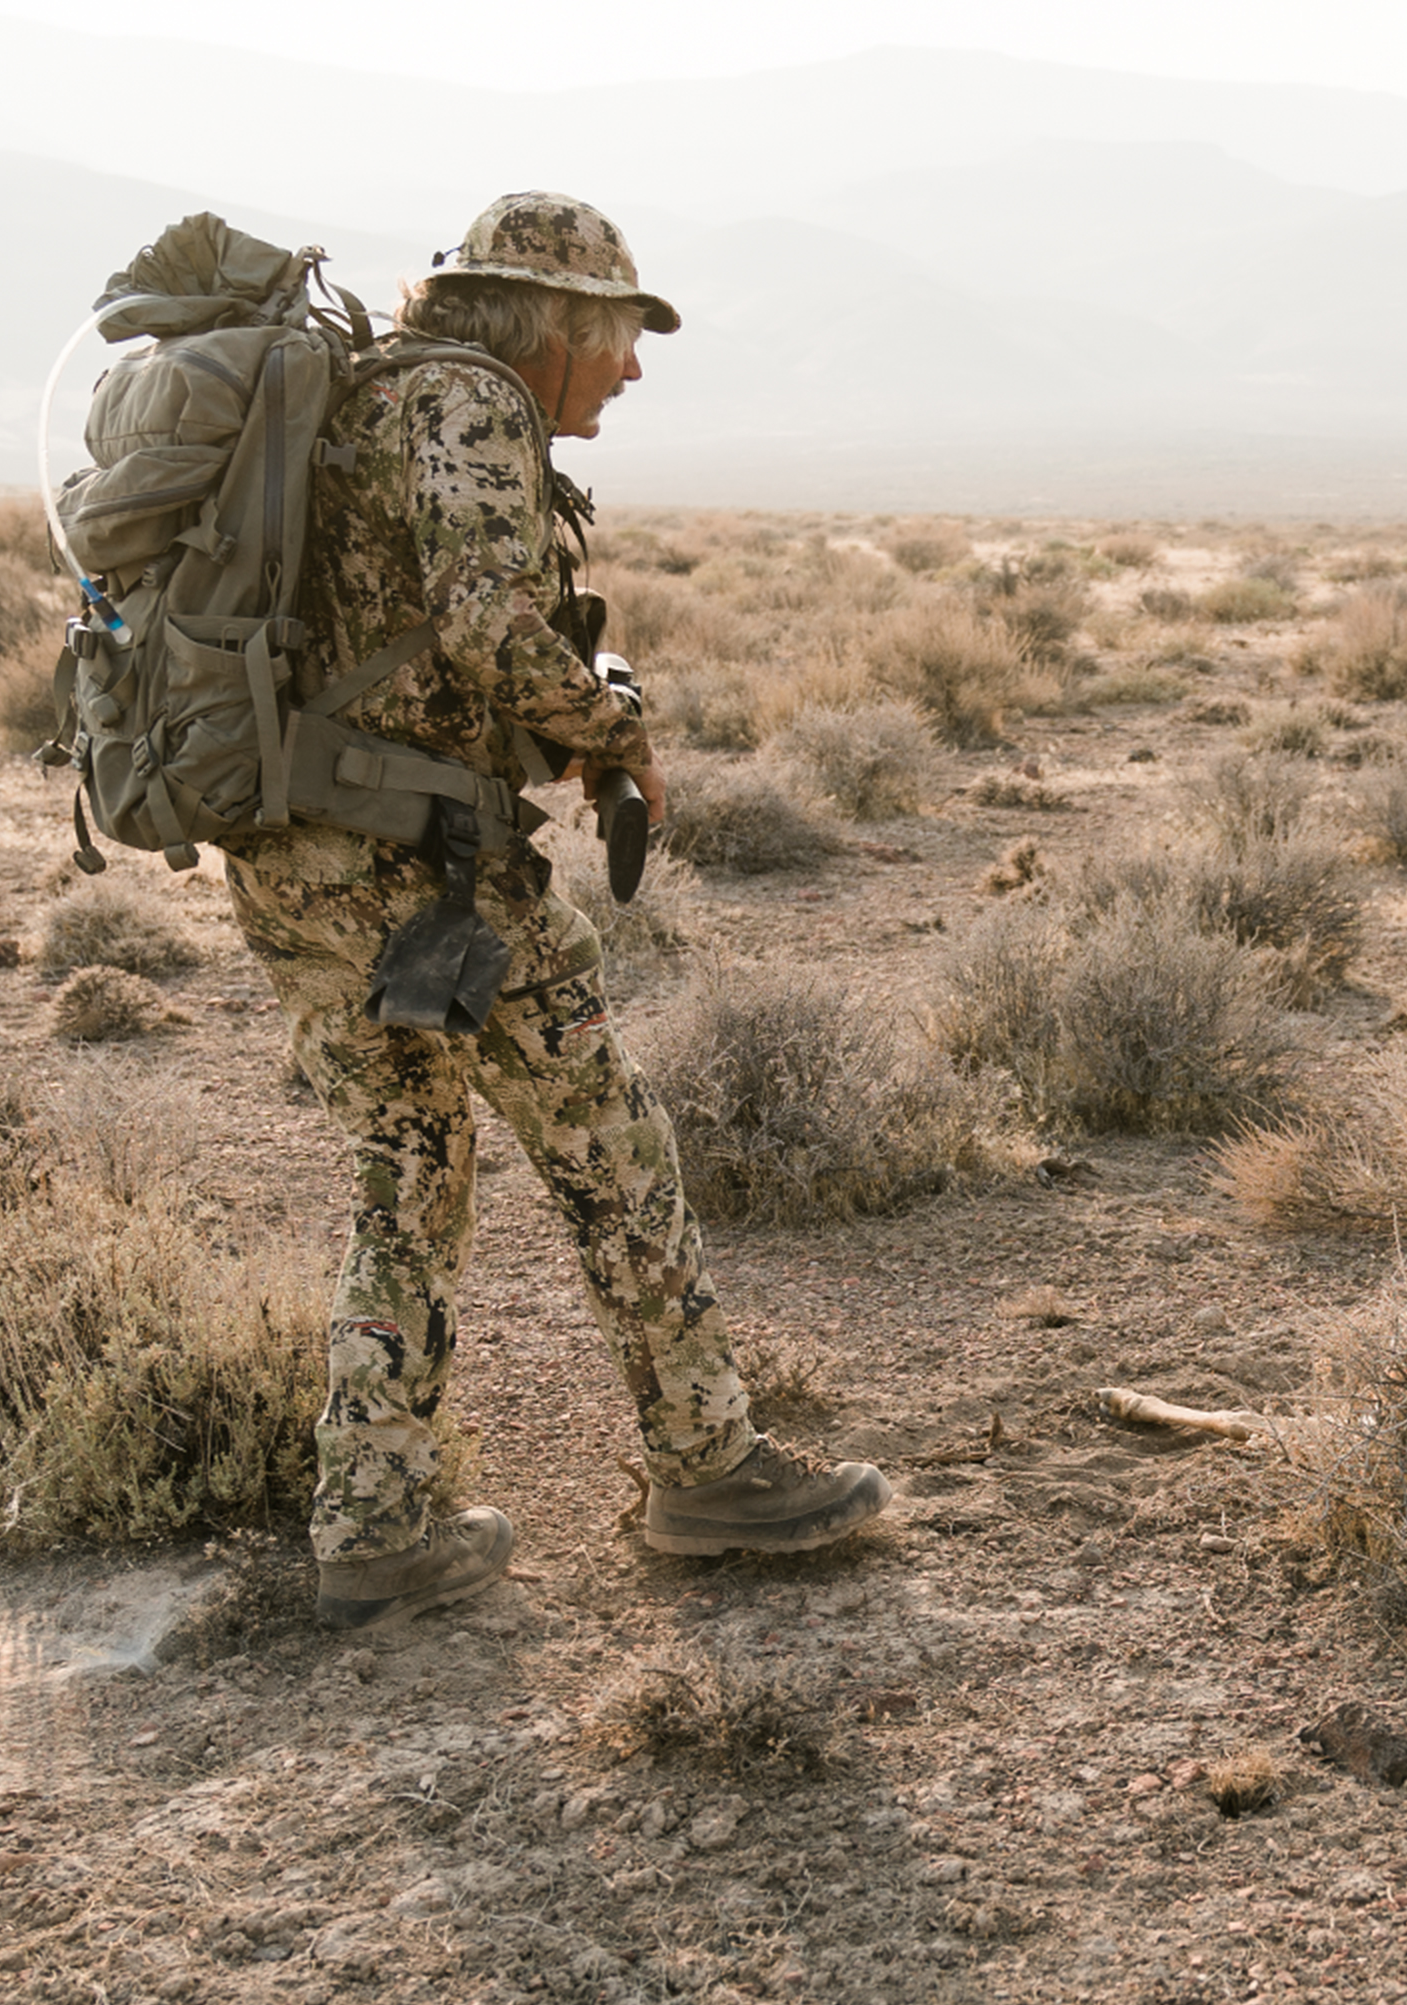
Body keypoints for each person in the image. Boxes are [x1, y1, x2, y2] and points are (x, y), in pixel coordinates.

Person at [219, 190, 887, 1629]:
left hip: (299, 856)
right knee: (611, 1148)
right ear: (549, 322)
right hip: (416, 874)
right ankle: (709, 1467)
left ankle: (376, 1518)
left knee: (409, 1169)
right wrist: (607, 730)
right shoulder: (465, 403)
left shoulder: (366, 402)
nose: (631, 370)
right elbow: (483, 621)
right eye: (616, 335)